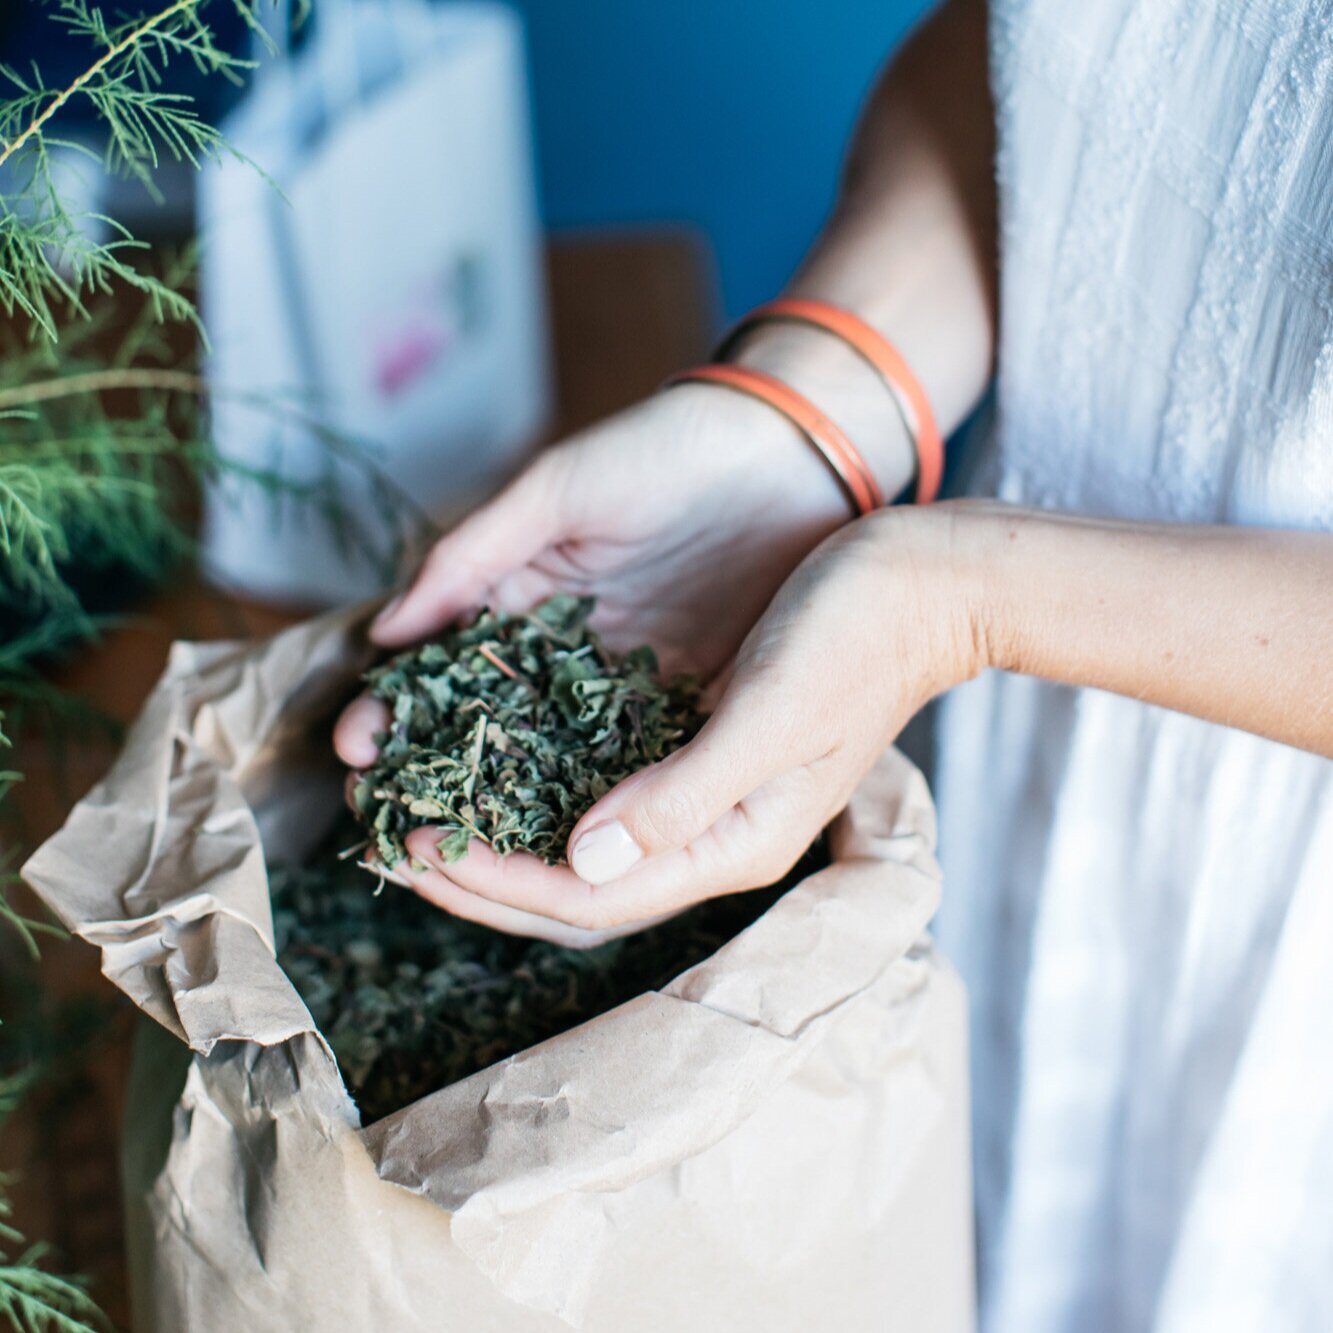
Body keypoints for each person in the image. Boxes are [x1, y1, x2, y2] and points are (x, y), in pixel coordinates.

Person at [336, 0, 1333, 1327]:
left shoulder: (953, 598)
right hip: (1013, 702)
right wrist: (810, 418)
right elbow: (1058, 71)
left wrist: (954, 596)